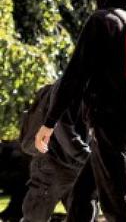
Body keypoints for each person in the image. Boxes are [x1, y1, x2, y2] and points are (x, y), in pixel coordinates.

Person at [34, 0, 126, 222]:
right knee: (82, 196)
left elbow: (75, 75)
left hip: (108, 124)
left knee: (116, 201)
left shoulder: (102, 20)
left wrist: (49, 121)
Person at [21, 85, 96, 222]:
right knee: (35, 217)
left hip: (77, 166)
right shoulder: (66, 88)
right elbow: (64, 131)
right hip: (52, 164)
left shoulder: (92, 88)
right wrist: (90, 159)